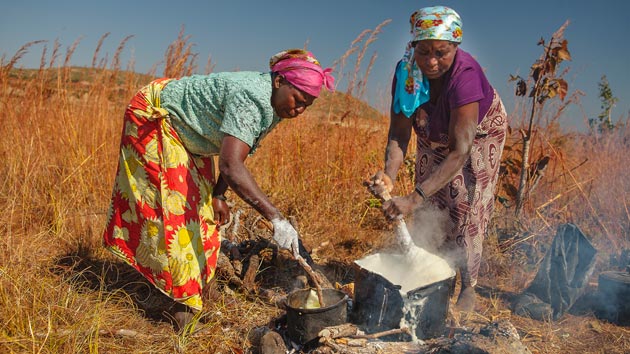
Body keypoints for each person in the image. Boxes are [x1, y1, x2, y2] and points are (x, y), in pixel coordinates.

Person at [102, 49, 335, 327]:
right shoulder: (251, 96)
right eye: (298, 100)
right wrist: (276, 218)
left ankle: (203, 292)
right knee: (178, 219)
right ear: (279, 82)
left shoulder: (275, 105)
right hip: (157, 118)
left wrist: (219, 193)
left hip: (190, 136)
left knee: (204, 216)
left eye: (306, 106)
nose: (298, 110)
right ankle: (183, 312)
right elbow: (230, 166)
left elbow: (237, 151)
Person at [366, 6, 508, 312]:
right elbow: (399, 133)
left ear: (455, 47)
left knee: (464, 203)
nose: (431, 61)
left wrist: (412, 198)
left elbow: (460, 151)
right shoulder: (406, 73)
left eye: (441, 52)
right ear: (414, 47)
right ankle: (435, 275)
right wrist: (390, 174)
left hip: (478, 138)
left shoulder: (465, 76)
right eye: (424, 51)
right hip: (433, 132)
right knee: (432, 204)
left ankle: (468, 284)